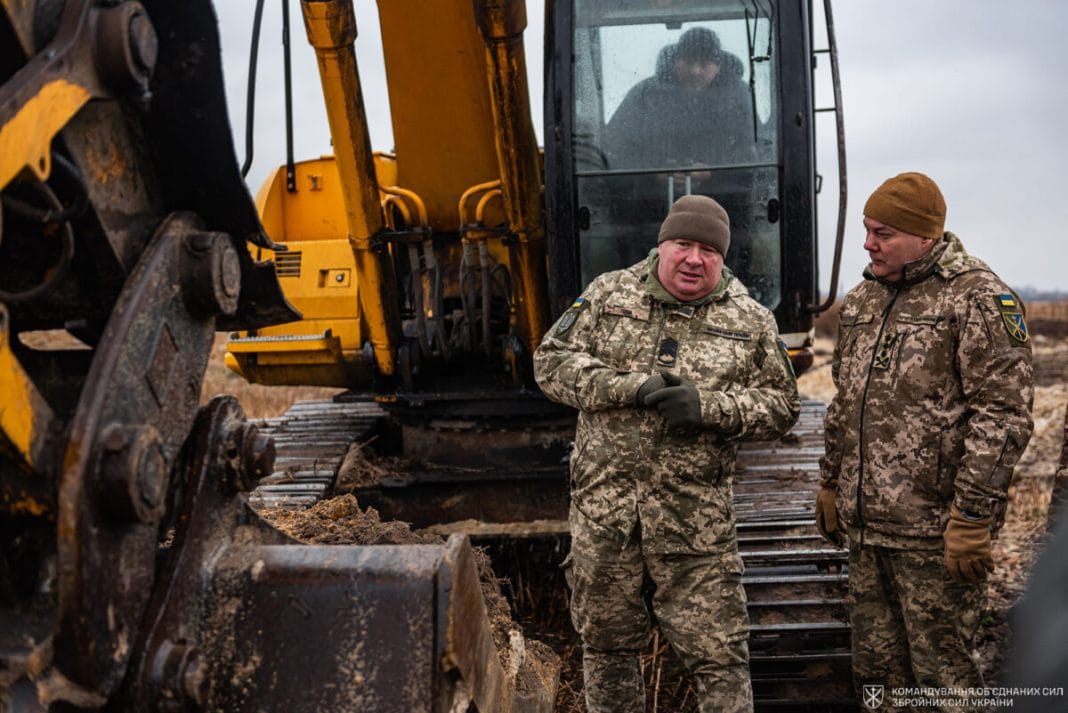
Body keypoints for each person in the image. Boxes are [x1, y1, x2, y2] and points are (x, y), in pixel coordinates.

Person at [534, 194, 800, 713]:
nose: (694, 259)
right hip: (605, 520)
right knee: (607, 650)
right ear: (662, 246)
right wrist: (630, 387)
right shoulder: (607, 294)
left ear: (723, 259)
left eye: (709, 250)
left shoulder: (752, 321)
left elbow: (783, 406)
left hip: (695, 530)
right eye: (684, 244)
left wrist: (709, 407)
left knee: (720, 659)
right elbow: (550, 363)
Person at [815, 172, 1034, 711]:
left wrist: (972, 517)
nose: (868, 244)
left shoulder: (977, 298)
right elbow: (846, 402)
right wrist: (829, 482)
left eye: (883, 233)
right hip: (867, 531)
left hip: (934, 535)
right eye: (867, 230)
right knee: (878, 681)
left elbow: (1003, 416)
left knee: (941, 683)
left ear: (926, 238)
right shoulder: (863, 299)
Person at [605, 27, 755, 172]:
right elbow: (616, 149)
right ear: (675, 62)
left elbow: (754, 150)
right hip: (651, 194)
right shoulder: (645, 95)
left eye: (704, 64)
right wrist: (655, 173)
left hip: (727, 194)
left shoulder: (737, 96)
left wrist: (713, 171)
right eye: (688, 62)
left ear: (718, 66)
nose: (695, 71)